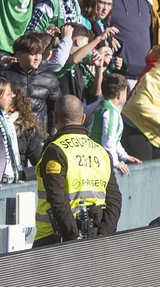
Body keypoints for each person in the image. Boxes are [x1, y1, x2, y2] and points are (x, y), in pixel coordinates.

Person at [33, 95, 122, 246]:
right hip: (95, 237)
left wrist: (73, 239)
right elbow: (114, 199)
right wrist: (103, 235)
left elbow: (57, 199)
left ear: (55, 118)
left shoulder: (55, 150)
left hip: (55, 238)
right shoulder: (101, 152)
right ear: (83, 119)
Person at [87, 73, 140, 174]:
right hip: (98, 163)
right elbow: (108, 139)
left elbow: (114, 139)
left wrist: (125, 156)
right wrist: (115, 162)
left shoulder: (101, 107)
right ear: (120, 95)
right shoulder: (111, 112)